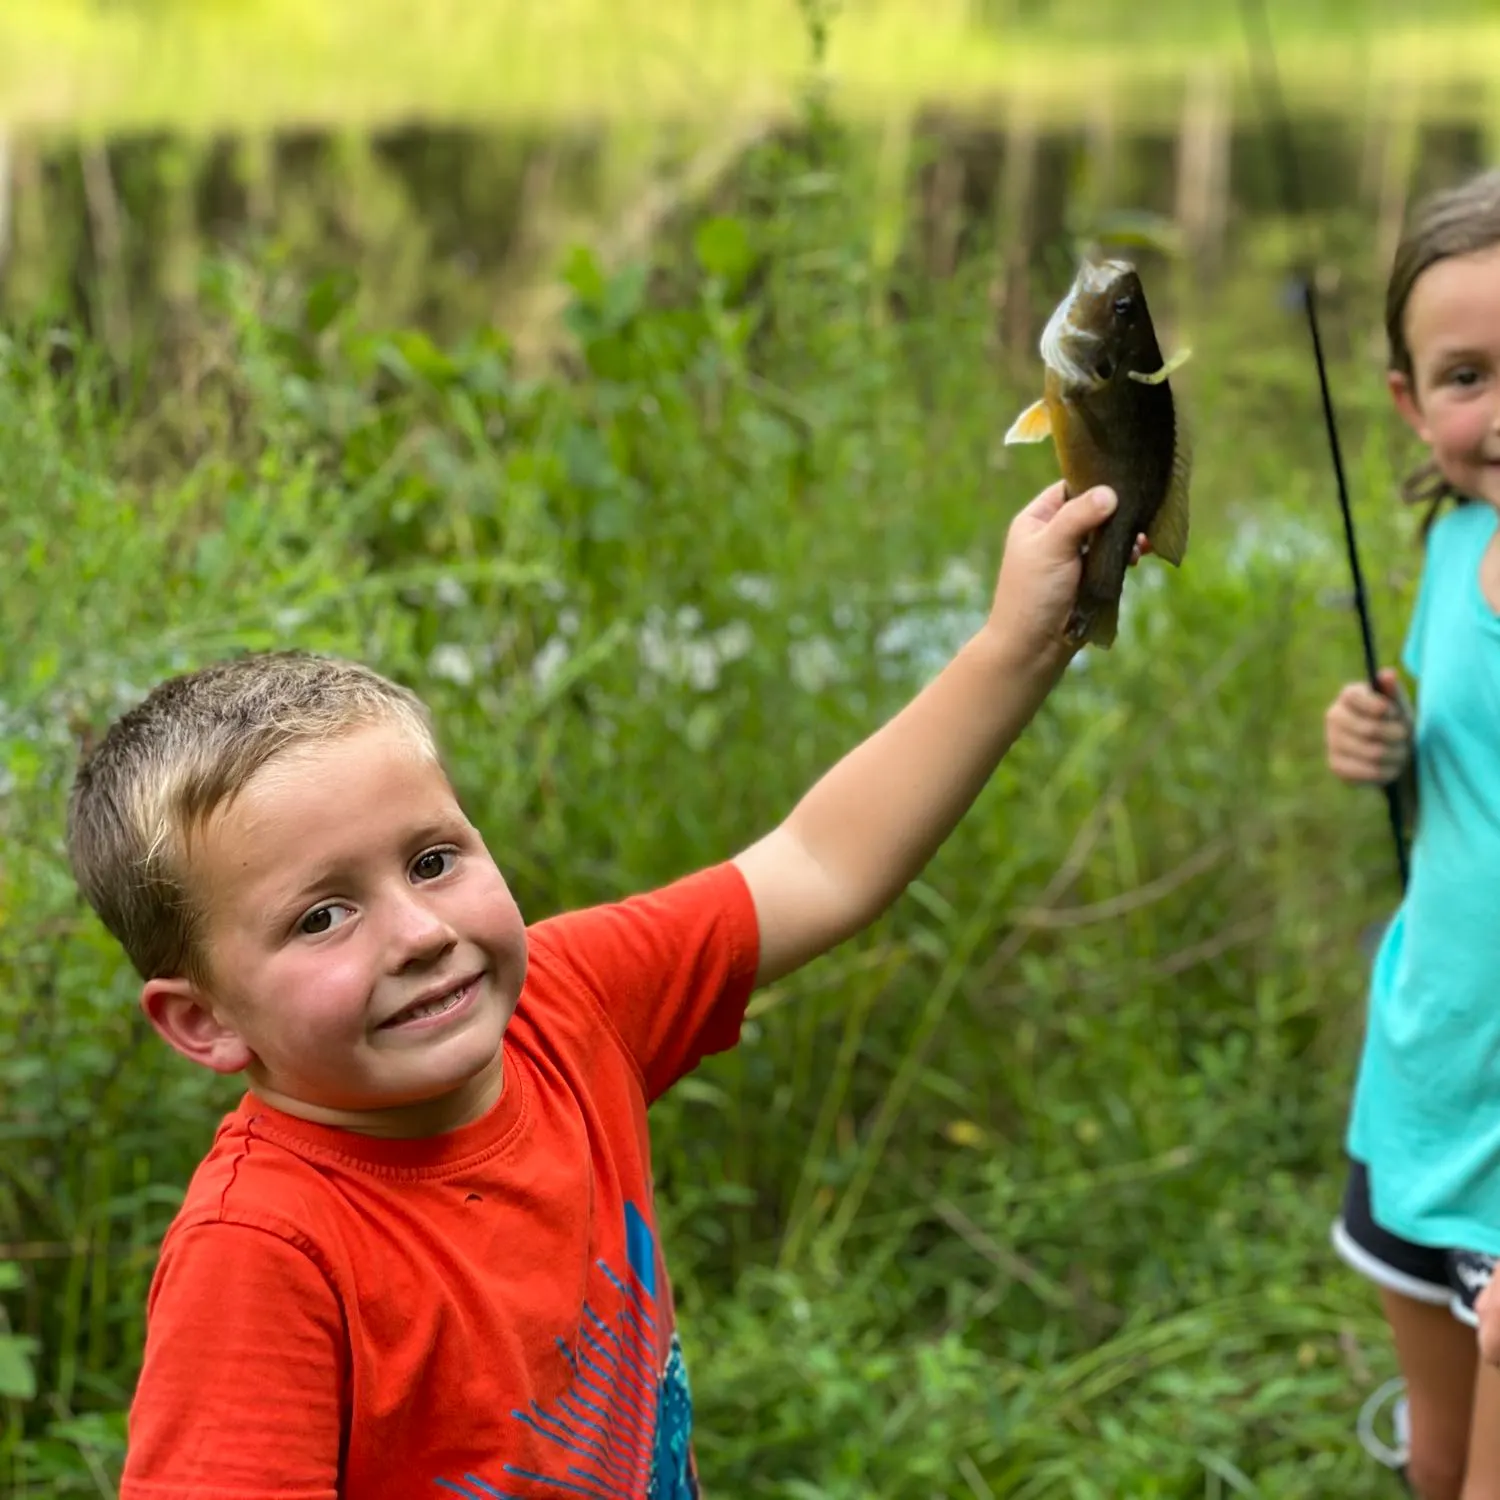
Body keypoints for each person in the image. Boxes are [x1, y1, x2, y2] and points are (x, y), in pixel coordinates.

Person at [69, 477, 1144, 1498]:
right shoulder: (262, 1255)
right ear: (201, 1021)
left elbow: (818, 866)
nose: (421, 933)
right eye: (321, 917)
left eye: (434, 859)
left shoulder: (564, 1004)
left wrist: (1020, 641)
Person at [1324, 166, 1500, 1500]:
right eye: (1466, 376)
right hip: (1426, 1087)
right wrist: (1389, 740)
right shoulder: (1453, 541)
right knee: (1437, 1467)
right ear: (1408, 402)